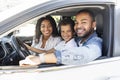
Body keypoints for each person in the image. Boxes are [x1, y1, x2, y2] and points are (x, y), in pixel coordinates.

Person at [19, 9, 102, 66]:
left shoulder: (96, 42)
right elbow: (49, 51)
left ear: (93, 24)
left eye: (84, 22)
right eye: (76, 23)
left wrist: (40, 59)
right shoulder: (78, 39)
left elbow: (84, 54)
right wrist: (33, 56)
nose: (78, 26)